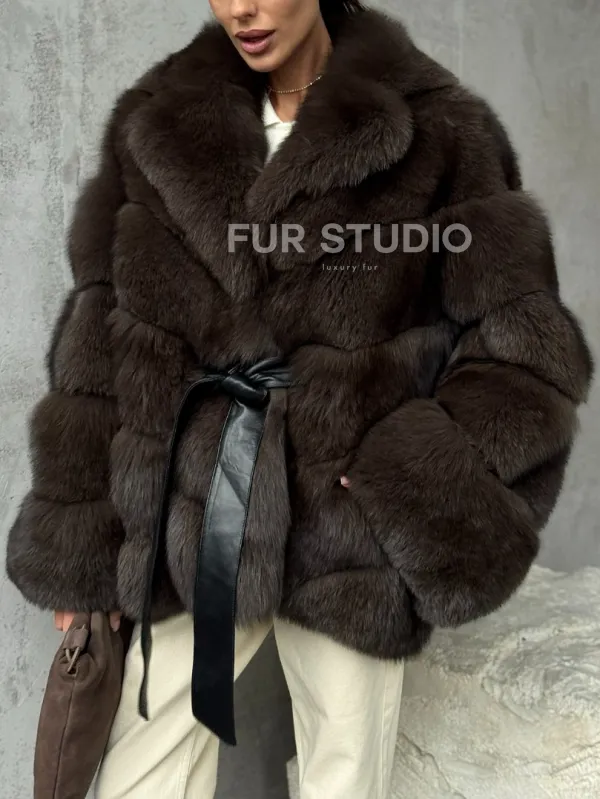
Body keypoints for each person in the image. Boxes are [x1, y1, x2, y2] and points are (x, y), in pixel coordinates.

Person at [6, 0, 593, 797]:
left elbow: (525, 346)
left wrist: (409, 481)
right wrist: (81, 550)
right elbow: (97, 349)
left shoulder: (440, 129)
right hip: (199, 507)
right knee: (141, 774)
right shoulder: (156, 122)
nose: (241, 8)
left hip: (350, 532)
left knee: (344, 776)